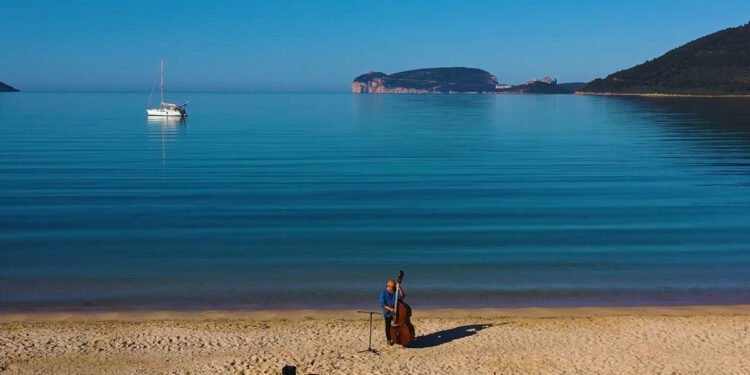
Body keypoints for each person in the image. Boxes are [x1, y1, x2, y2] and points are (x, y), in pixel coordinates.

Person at [378, 279, 405, 345]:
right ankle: (389, 339)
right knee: (388, 326)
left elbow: (402, 296)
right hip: (388, 312)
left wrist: (399, 288)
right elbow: (382, 304)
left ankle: (398, 336)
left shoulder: (394, 291)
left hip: (396, 310)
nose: (394, 289)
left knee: (398, 324)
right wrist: (390, 309)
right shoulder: (383, 293)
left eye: (394, 287)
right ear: (388, 286)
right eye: (393, 287)